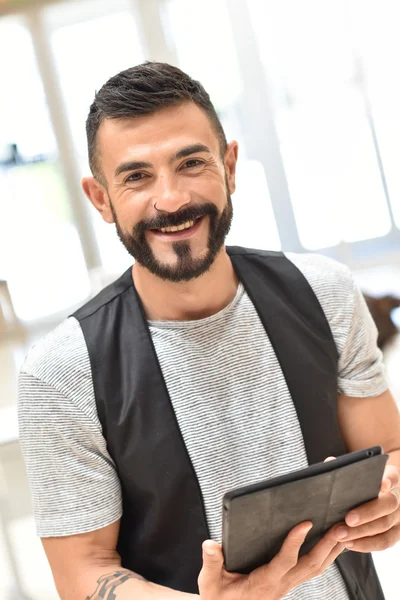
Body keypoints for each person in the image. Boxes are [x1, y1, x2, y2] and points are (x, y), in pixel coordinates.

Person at [18, 62, 400, 600]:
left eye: (191, 163)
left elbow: (389, 453)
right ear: (100, 198)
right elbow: (82, 572)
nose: (171, 200)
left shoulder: (326, 292)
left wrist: (388, 504)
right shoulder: (60, 375)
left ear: (230, 166)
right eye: (136, 176)